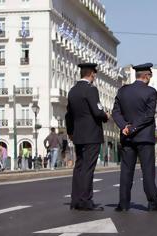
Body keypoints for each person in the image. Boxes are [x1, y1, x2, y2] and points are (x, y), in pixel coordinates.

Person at [112, 63, 157, 212]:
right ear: (146, 76)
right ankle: (153, 202)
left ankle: (123, 204)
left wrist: (124, 127)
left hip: (127, 138)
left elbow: (115, 113)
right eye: (150, 76)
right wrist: (133, 128)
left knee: (126, 171)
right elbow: (148, 116)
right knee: (148, 171)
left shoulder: (122, 91)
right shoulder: (150, 92)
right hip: (144, 137)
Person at [65, 62, 110, 211]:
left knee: (79, 167)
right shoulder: (91, 90)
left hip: (78, 135)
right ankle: (86, 200)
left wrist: (70, 132)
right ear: (91, 74)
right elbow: (97, 111)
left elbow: (68, 115)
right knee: (88, 168)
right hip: (92, 135)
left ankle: (76, 200)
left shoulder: (72, 91)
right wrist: (106, 116)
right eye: (95, 74)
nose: (95, 76)